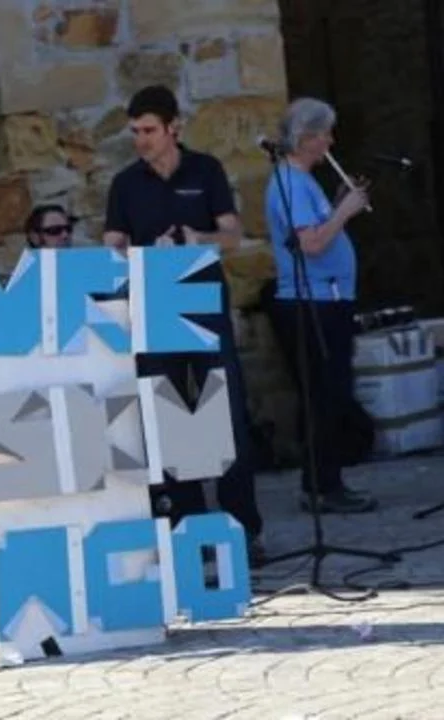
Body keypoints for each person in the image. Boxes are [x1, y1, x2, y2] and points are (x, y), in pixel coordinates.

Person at [103, 85, 268, 568]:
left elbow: (232, 234)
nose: (141, 140)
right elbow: (112, 243)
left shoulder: (205, 170)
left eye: (149, 130)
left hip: (204, 305)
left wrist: (198, 239)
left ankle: (243, 530)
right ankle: (189, 530)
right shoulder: (125, 183)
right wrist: (142, 253)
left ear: (174, 127)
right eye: (135, 132)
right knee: (171, 418)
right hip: (155, 307)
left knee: (225, 414)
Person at [264, 97, 378, 514]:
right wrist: (345, 212)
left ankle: (327, 481)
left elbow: (314, 226)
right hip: (312, 300)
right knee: (326, 395)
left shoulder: (304, 181)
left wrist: (336, 202)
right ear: (306, 137)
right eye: (325, 133)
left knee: (332, 392)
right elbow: (310, 243)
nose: (330, 141)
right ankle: (321, 486)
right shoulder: (290, 183)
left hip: (328, 297)